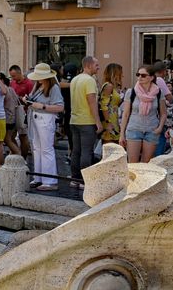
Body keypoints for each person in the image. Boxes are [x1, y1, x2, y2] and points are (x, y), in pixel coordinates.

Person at [23, 63, 64, 191]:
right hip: (35, 118)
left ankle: (50, 180)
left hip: (45, 118)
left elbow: (60, 107)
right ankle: (39, 177)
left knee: (46, 149)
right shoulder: (39, 86)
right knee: (37, 149)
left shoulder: (53, 88)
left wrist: (42, 106)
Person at [119, 65, 167, 164]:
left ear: (152, 77)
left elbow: (163, 113)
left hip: (152, 130)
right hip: (134, 129)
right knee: (132, 162)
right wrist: (122, 134)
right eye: (138, 75)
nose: (139, 77)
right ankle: (132, 180)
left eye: (143, 75)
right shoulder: (131, 92)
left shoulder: (158, 93)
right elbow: (126, 114)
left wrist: (159, 128)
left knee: (146, 163)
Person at [69, 56, 102, 186]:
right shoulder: (89, 80)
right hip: (87, 121)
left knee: (76, 151)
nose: (98, 67)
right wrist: (98, 122)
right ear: (88, 65)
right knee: (87, 151)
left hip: (74, 120)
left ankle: (75, 179)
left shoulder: (75, 79)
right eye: (96, 65)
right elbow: (92, 102)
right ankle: (84, 181)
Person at [8, 65, 33, 159]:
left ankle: (23, 158)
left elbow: (31, 100)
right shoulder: (12, 83)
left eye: (14, 76)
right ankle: (16, 154)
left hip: (23, 112)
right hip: (12, 112)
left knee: (23, 136)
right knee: (10, 137)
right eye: (11, 76)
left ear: (19, 73)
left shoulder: (29, 83)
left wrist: (19, 98)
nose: (13, 78)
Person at [99, 63, 124, 145]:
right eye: (120, 73)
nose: (122, 76)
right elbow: (104, 105)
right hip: (110, 119)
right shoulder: (108, 86)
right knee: (109, 148)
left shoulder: (113, 86)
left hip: (115, 118)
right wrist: (108, 123)